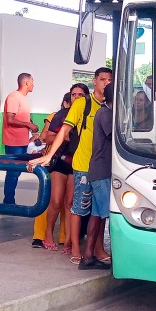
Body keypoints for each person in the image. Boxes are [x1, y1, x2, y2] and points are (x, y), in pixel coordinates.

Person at [29, 68, 112, 265]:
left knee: (100, 212)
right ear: (94, 81)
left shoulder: (112, 107)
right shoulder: (83, 104)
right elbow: (65, 129)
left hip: (104, 167)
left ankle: (98, 249)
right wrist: (48, 155)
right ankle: (75, 247)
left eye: (110, 80)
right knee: (78, 208)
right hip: (83, 165)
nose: (106, 83)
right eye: (102, 79)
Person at [42, 84, 90, 253]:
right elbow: (47, 137)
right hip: (61, 163)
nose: (76, 97)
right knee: (55, 201)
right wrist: (64, 136)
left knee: (70, 203)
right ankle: (48, 234)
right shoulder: (61, 115)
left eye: (80, 94)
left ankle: (69, 240)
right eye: (73, 94)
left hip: (78, 165)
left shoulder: (90, 115)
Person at [79, 82, 114, 270]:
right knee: (104, 215)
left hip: (100, 170)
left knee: (96, 216)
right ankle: (91, 255)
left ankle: (88, 255)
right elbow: (114, 137)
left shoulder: (104, 112)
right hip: (101, 171)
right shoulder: (106, 114)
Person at [31, 92, 70, 249]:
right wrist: (65, 137)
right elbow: (45, 136)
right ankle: (40, 236)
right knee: (48, 199)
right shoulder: (55, 116)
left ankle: (64, 237)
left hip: (70, 161)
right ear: (66, 103)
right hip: (52, 161)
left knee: (67, 202)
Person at [2, 73, 39, 205]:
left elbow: (21, 118)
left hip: (22, 141)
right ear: (26, 83)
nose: (34, 84)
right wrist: (29, 124)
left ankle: (10, 200)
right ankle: (8, 201)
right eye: (32, 81)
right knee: (13, 171)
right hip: (14, 141)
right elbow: (10, 119)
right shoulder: (13, 97)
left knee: (16, 172)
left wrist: (32, 127)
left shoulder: (23, 98)